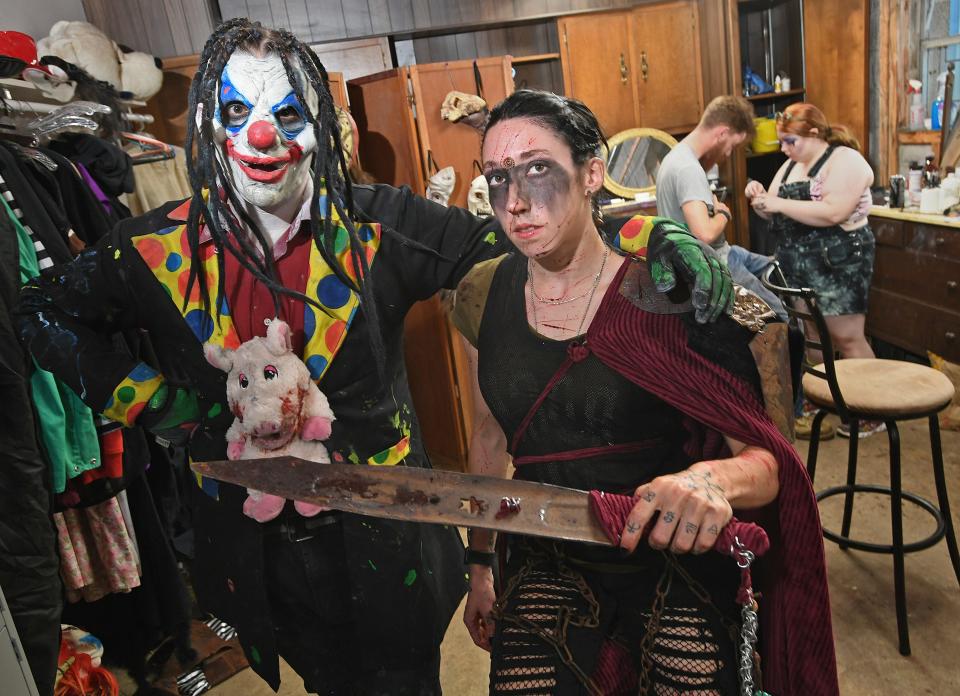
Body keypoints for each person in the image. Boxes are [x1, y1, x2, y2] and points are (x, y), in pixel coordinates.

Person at [16, 21, 731, 696]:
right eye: (237, 112)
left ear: (324, 127)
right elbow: (40, 309)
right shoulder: (150, 249)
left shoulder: (379, 225)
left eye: (289, 115)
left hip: (390, 542)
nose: (261, 135)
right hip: (254, 547)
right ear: (207, 122)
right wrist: (157, 402)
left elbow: (519, 234)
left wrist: (640, 231)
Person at [452, 90, 838, 695]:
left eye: (537, 169)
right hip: (550, 550)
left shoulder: (665, 291)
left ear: (592, 174)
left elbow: (768, 467)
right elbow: (488, 435)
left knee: (690, 677)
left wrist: (708, 482)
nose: (516, 201)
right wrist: (479, 566)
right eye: (498, 178)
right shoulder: (480, 296)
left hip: (669, 550)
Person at [745, 102, 878, 439]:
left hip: (839, 260)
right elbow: (776, 212)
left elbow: (834, 212)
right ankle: (826, 396)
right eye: (783, 143)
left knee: (847, 336)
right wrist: (760, 198)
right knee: (813, 335)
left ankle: (871, 409)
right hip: (798, 261)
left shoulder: (844, 161)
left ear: (815, 134)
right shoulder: (791, 166)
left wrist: (776, 204)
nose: (786, 149)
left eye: (791, 141)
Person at [657, 95, 786, 318]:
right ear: (722, 133)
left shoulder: (676, 157)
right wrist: (724, 213)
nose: (727, 154)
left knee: (781, 269)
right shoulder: (688, 168)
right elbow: (704, 233)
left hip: (726, 253)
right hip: (717, 264)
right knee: (779, 316)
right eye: (732, 146)